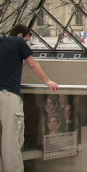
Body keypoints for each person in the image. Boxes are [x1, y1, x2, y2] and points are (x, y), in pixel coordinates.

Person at [0, 23, 59, 172]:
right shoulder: (19, 42)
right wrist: (48, 81)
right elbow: (32, 63)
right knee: (10, 142)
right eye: (27, 40)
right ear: (20, 36)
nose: (27, 43)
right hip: (8, 95)